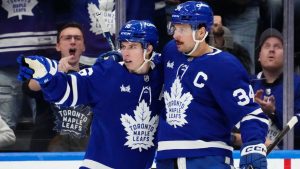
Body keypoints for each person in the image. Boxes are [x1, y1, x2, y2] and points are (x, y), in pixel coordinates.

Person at [18, 20, 163, 169]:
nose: (125, 53)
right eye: (123, 46)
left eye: (132, 47)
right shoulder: (105, 72)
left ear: (149, 48)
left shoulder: (163, 72)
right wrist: (47, 76)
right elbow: (66, 90)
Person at [156, 1, 269, 169]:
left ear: (201, 32)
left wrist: (253, 146)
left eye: (182, 29)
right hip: (166, 158)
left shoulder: (224, 65)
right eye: (174, 28)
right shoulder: (171, 52)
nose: (175, 35)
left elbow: (250, 113)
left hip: (207, 159)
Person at [21, 22, 91, 151]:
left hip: (83, 148)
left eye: (77, 38)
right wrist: (56, 72)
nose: (73, 42)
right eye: (67, 38)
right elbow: (29, 87)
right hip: (47, 149)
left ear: (84, 46)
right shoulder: (45, 70)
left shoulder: (91, 74)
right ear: (58, 46)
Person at [252, 28, 300, 149]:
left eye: (277, 46)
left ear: (286, 56)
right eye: (267, 46)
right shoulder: (248, 85)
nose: (272, 50)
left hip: (290, 157)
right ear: (259, 56)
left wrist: (273, 113)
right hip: (253, 154)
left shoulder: (297, 84)